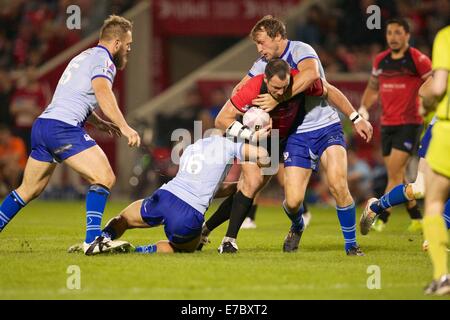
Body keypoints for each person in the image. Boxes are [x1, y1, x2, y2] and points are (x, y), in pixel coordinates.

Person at [208, 16, 372, 255]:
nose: (259, 49)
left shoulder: (300, 50)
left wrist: (355, 118)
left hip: (326, 126)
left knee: (337, 184)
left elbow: (313, 77)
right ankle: (297, 225)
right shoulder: (265, 64)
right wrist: (248, 117)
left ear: (277, 37)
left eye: (262, 43)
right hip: (296, 134)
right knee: (293, 201)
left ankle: (351, 246)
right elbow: (240, 90)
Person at [0, 15, 141, 255]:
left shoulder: (83, 56)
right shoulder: (104, 60)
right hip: (62, 128)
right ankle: (92, 241)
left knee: (28, 190)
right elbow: (103, 92)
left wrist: (98, 121)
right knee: (104, 176)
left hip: (43, 125)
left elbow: (74, 94)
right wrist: (124, 126)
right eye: (127, 45)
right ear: (116, 43)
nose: (128, 49)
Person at [69, 133, 270, 254]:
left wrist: (236, 186)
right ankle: (137, 251)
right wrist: (256, 167)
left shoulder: (193, 148)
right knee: (184, 248)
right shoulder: (231, 145)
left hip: (164, 197)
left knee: (124, 219)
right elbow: (262, 156)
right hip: (189, 213)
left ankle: (100, 240)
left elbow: (201, 186)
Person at [358, 18, 432, 232]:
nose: (393, 37)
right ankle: (416, 216)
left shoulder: (418, 60)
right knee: (399, 175)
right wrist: (363, 108)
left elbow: (434, 85)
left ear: (407, 35)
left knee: (394, 173)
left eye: (398, 33)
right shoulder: (380, 60)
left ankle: (380, 216)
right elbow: (372, 88)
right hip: (387, 123)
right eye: (390, 33)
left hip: (409, 123)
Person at [418, 24, 450, 296]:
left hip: (447, 132)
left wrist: (424, 102)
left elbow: (437, 87)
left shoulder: (445, 37)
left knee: (434, 202)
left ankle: (442, 276)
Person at [0, 124, 27, 192]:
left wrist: (5, 159)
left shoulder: (17, 141)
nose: (2, 137)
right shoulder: (1, 146)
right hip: (5, 171)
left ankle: (12, 190)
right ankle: (12, 191)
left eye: (4, 134)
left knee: (12, 167)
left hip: (21, 168)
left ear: (9, 134)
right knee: (9, 168)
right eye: (1, 135)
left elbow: (16, 158)